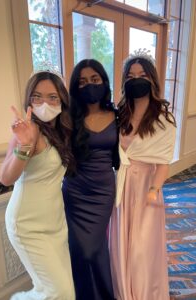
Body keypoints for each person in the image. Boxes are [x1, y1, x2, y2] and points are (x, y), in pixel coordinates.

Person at [0, 71, 75, 300]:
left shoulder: (62, 131)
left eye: (53, 97)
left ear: (62, 99)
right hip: (27, 224)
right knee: (61, 292)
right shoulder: (28, 131)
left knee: (51, 288)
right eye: (37, 97)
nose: (45, 103)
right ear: (29, 100)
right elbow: (6, 177)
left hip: (55, 223)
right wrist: (24, 146)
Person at [109, 51, 176, 300]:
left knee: (141, 251)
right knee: (119, 246)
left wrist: (152, 191)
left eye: (142, 75)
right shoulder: (120, 113)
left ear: (152, 79)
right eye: (131, 75)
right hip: (123, 186)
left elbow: (164, 163)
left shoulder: (163, 119)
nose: (136, 79)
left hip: (148, 189)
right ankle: (124, 292)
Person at [62, 59, 119, 300]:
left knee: (95, 248)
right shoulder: (67, 117)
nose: (89, 85)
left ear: (104, 82)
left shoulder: (117, 115)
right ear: (75, 88)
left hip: (103, 191)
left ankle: (105, 294)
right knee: (80, 250)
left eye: (94, 80)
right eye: (82, 82)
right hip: (75, 191)